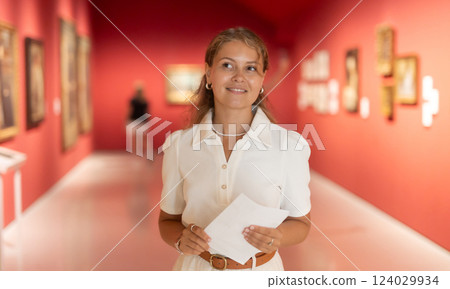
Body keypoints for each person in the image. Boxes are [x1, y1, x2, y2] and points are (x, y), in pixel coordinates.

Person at [158, 27, 311, 271]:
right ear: (209, 75)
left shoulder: (290, 146)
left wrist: (278, 236)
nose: (239, 76)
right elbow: (167, 221)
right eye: (227, 66)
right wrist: (180, 239)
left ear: (261, 80)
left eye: (250, 68)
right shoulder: (179, 145)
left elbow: (301, 224)